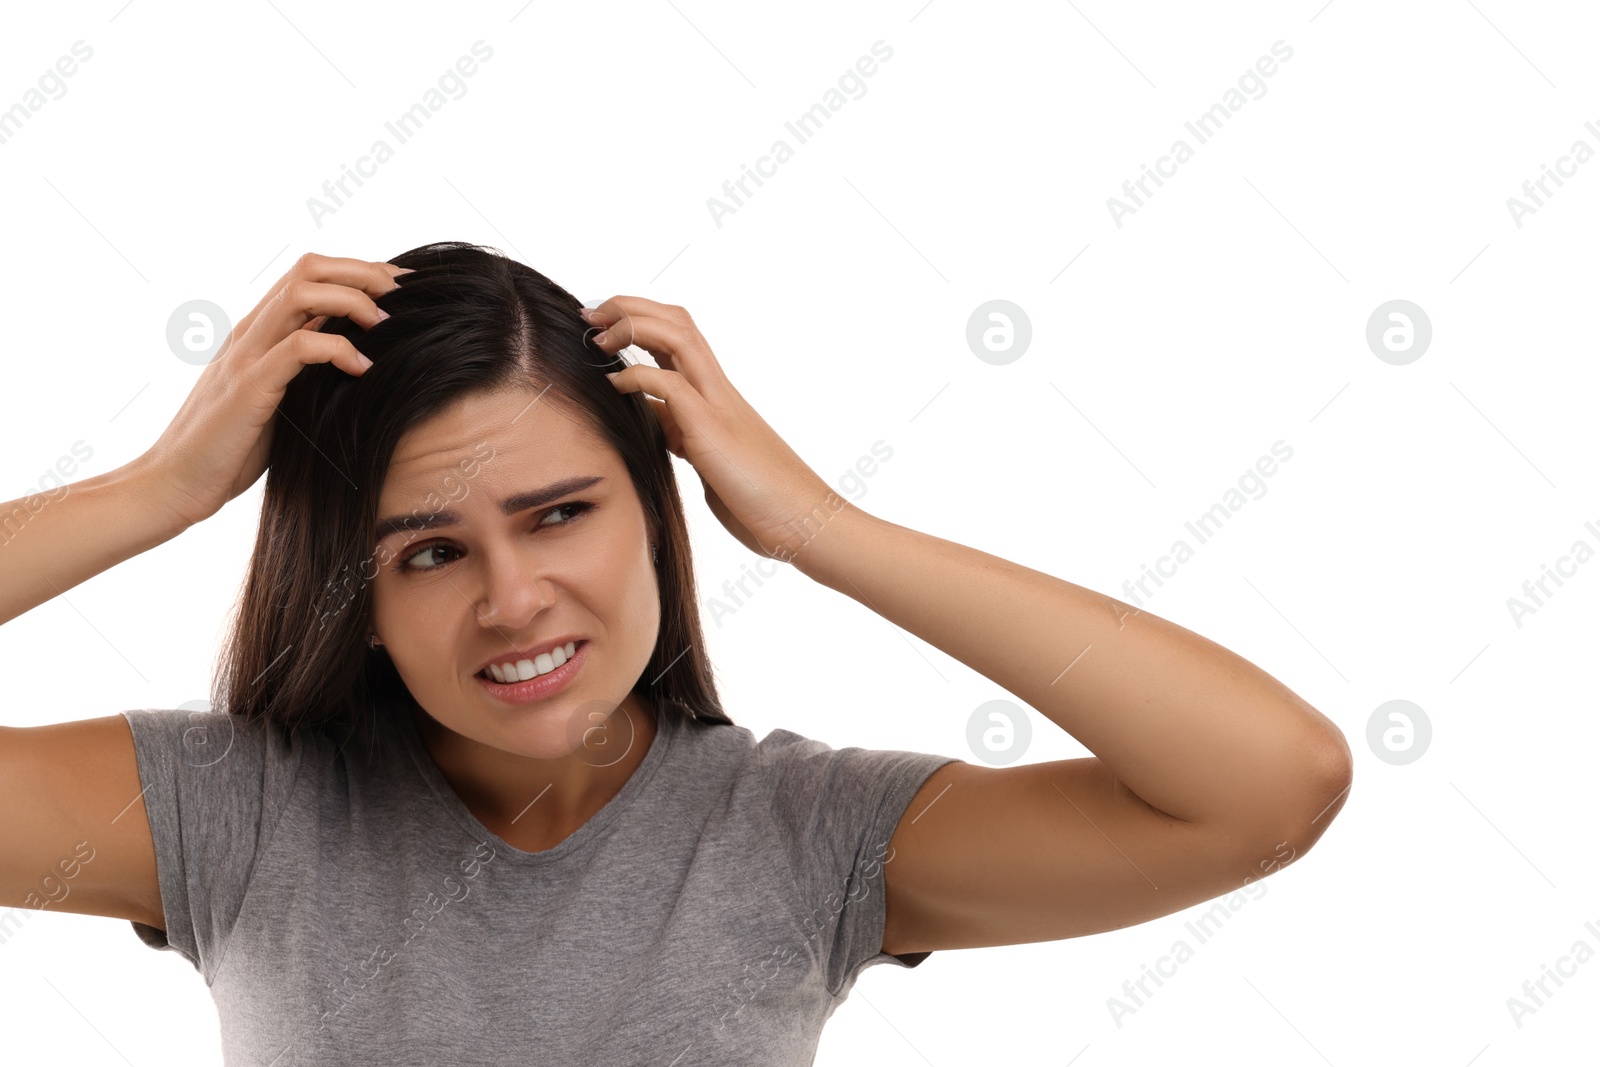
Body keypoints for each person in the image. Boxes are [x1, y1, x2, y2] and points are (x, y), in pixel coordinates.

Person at [0, 242, 1353, 1064]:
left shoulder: (801, 837)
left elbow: (1268, 785)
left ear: (655, 508)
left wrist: (825, 527)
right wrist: (156, 493)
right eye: (428, 550)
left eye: (560, 515)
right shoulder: (237, 813)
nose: (513, 598)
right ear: (355, 589)